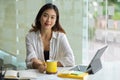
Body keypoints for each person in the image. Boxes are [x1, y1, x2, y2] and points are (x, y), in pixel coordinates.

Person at [25, 3, 75, 73]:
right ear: (39, 17)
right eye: (45, 16)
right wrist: (39, 66)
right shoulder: (30, 37)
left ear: (56, 20)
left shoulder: (61, 37)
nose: (48, 20)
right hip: (36, 76)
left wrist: (49, 65)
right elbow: (31, 60)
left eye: (52, 17)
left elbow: (70, 59)